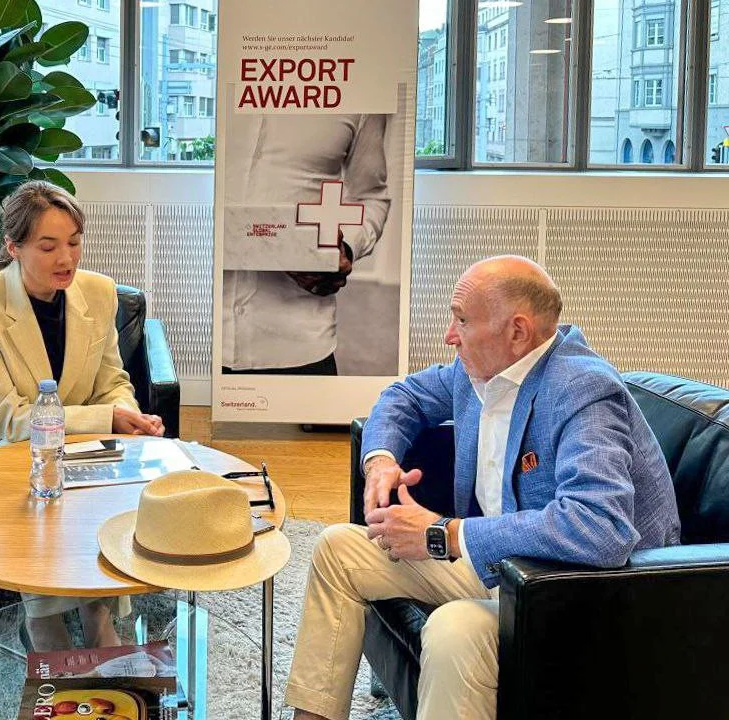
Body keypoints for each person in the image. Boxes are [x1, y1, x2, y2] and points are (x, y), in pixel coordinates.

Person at [286, 255, 681, 720]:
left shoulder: (583, 391)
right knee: (337, 548)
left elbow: (600, 527)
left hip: (575, 593)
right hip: (501, 564)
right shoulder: (479, 370)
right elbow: (403, 396)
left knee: (453, 629)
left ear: (517, 331)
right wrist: (380, 461)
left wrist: (446, 534)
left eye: (462, 320)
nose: (449, 336)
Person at [0, 180, 163, 651]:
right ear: (13, 247)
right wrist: (105, 418)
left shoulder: (99, 292)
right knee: (41, 483)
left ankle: (98, 610)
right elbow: (10, 417)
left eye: (74, 243)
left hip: (78, 443)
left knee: (110, 477)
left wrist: (129, 415)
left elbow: (112, 380)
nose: (66, 259)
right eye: (48, 246)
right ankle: (43, 620)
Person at [222, 114, 391, 375]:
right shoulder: (218, 95)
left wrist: (345, 248)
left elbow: (370, 196)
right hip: (204, 335)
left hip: (301, 340)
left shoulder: (358, 100)